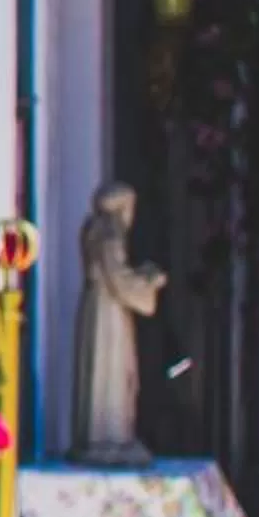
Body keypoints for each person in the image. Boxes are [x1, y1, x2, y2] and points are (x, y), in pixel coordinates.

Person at [74, 180, 166, 466]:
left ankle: (103, 435)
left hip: (100, 305)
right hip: (108, 310)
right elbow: (118, 278)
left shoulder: (95, 230)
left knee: (106, 369)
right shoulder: (110, 234)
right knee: (109, 370)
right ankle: (107, 437)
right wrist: (150, 281)